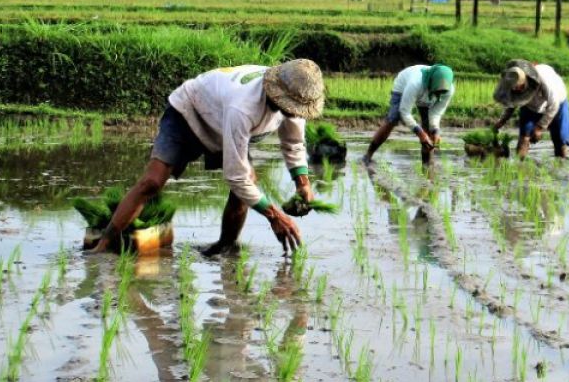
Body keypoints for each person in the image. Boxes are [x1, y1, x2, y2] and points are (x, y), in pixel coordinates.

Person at [85, 59, 326, 257]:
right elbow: (235, 176)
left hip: (225, 124)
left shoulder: (294, 101)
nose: (295, 114)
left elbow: (293, 143)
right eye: (291, 107)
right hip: (190, 113)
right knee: (152, 182)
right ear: (278, 94)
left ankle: (225, 246)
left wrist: (302, 184)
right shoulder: (244, 106)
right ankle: (106, 241)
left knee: (247, 184)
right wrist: (275, 216)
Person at [363, 64, 455, 164]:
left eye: (441, 92)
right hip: (403, 87)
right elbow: (404, 112)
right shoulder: (415, 83)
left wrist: (435, 130)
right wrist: (419, 132)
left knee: (429, 130)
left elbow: (435, 114)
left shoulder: (448, 90)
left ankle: (427, 165)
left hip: (425, 95)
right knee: (392, 120)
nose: (438, 95)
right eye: (437, 91)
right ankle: (368, 156)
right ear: (432, 82)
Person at [492, 59, 569, 159]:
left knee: (560, 140)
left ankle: (562, 164)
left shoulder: (546, 81)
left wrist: (539, 127)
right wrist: (501, 121)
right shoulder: (513, 82)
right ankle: (520, 165)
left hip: (557, 104)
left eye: (519, 88)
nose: (516, 90)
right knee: (524, 137)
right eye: (514, 89)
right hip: (530, 107)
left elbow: (554, 105)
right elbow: (512, 103)